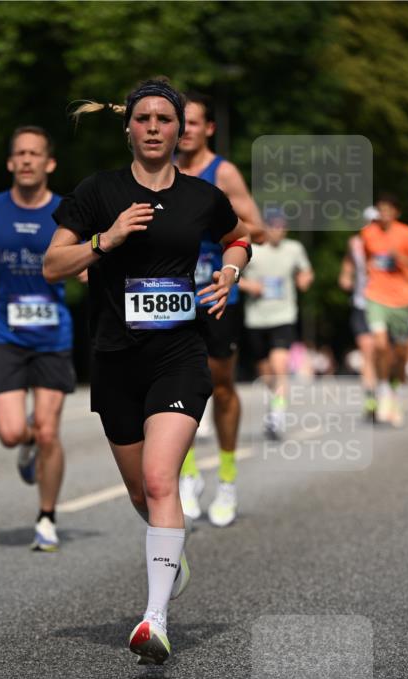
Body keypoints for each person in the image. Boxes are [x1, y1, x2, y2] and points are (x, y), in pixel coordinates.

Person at [43, 78, 250, 665]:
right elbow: (54, 265)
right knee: (141, 490)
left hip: (179, 354)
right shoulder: (98, 191)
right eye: (144, 119)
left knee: (162, 480)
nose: (155, 128)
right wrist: (104, 241)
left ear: (181, 130)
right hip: (114, 359)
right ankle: (172, 549)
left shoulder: (200, 196)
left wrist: (229, 273)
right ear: (128, 128)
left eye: (166, 119)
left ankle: (155, 619)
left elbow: (239, 239)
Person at [0, 126, 75, 551]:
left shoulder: (66, 210)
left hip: (52, 335)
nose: (26, 160)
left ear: (49, 163)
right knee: (12, 432)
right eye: (19, 153)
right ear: (10, 162)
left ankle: (46, 518)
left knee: (48, 430)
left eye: (34, 153)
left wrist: (84, 266)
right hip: (6, 334)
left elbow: (83, 260)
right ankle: (26, 450)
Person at [176, 92, 265, 526]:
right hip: (168, 292)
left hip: (216, 292)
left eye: (194, 123)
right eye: (181, 122)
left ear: (208, 128)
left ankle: (227, 480)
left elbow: (256, 229)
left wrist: (215, 217)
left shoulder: (222, 172)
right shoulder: (161, 171)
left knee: (220, 383)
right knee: (172, 383)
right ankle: (187, 473)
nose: (186, 130)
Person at [238, 212, 313, 440]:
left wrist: (305, 279)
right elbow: (230, 274)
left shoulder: (294, 249)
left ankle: (278, 415)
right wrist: (250, 286)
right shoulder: (253, 249)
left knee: (280, 366)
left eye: (281, 227)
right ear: (264, 228)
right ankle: (274, 402)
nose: (277, 231)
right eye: (272, 226)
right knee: (266, 372)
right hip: (256, 318)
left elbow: (306, 271)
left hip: (284, 316)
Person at [359, 193, 408, 428]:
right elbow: (367, 259)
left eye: (388, 210)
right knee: (379, 345)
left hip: (402, 299)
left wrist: (402, 259)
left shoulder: (407, 234)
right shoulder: (368, 233)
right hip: (375, 296)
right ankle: (382, 390)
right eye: (381, 210)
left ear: (396, 212)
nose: (384, 214)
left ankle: (397, 391)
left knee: (400, 352)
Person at [338, 206, 380, 421]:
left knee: (382, 351)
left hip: (387, 304)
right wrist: (346, 276)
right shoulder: (355, 243)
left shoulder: (391, 244)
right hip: (362, 303)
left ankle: (390, 390)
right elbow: (348, 264)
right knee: (367, 350)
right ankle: (370, 397)